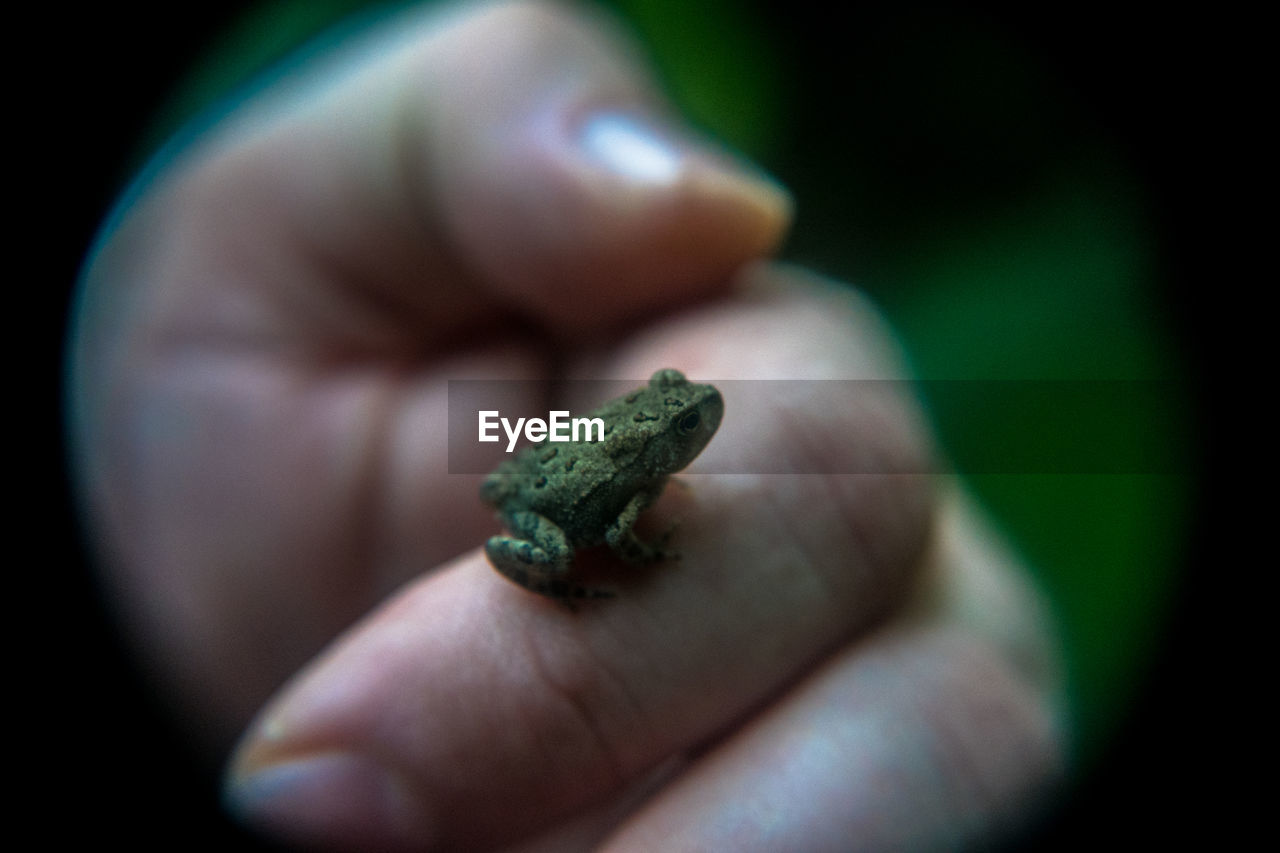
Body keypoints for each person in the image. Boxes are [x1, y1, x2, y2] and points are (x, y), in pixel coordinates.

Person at [66, 1, 1063, 848]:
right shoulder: (630, 463)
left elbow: (621, 486)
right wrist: (627, 549)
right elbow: (618, 529)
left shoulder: (635, 440)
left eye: (683, 420)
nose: (690, 425)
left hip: (547, 467)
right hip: (542, 507)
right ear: (658, 437)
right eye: (678, 422)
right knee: (552, 545)